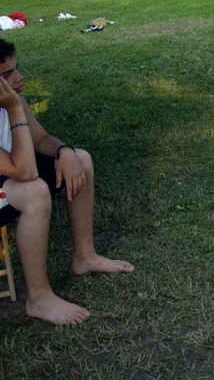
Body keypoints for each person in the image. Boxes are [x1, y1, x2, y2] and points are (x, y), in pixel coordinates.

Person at [0, 39, 134, 325]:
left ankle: (85, 256)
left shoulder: (11, 97)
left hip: (10, 172)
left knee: (80, 159)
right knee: (34, 192)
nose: (19, 78)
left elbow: (40, 140)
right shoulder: (10, 102)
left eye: (16, 69)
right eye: (7, 75)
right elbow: (24, 172)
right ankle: (38, 299)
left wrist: (65, 152)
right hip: (14, 174)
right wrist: (14, 110)